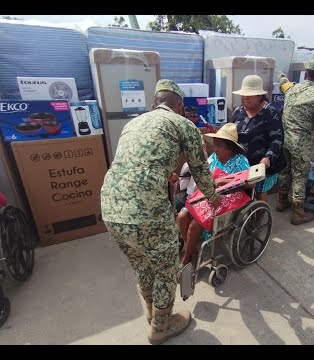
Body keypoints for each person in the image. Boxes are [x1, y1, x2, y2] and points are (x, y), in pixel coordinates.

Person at [101, 79, 222, 345]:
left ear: (154, 103)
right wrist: (214, 198)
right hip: (146, 211)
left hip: (110, 206)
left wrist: (166, 174)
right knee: (166, 268)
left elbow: (141, 163)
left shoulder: (133, 124)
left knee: (142, 264)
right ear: (179, 106)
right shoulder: (183, 124)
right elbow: (201, 170)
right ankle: (162, 326)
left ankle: (152, 315)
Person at [176, 123, 250, 267]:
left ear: (230, 147)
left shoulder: (241, 161)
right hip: (206, 194)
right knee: (181, 217)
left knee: (194, 225)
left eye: (220, 146)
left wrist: (227, 181)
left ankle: (187, 257)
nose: (215, 149)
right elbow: (204, 178)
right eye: (215, 144)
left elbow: (249, 183)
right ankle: (192, 251)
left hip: (226, 199)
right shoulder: (213, 158)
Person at [276, 60, 314, 225]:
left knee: (285, 170)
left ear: (306, 73)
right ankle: (298, 213)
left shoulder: (291, 89)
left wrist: (281, 74)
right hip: (301, 145)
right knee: (299, 176)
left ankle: (282, 201)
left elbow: (282, 82)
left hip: (285, 140)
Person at [231, 75, 284, 202]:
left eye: (250, 95)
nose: (245, 98)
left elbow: (277, 139)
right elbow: (232, 133)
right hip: (242, 162)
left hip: (262, 163)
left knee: (260, 191)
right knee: (242, 192)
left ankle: (260, 218)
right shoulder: (238, 111)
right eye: (244, 95)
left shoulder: (270, 113)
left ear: (259, 96)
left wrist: (268, 157)